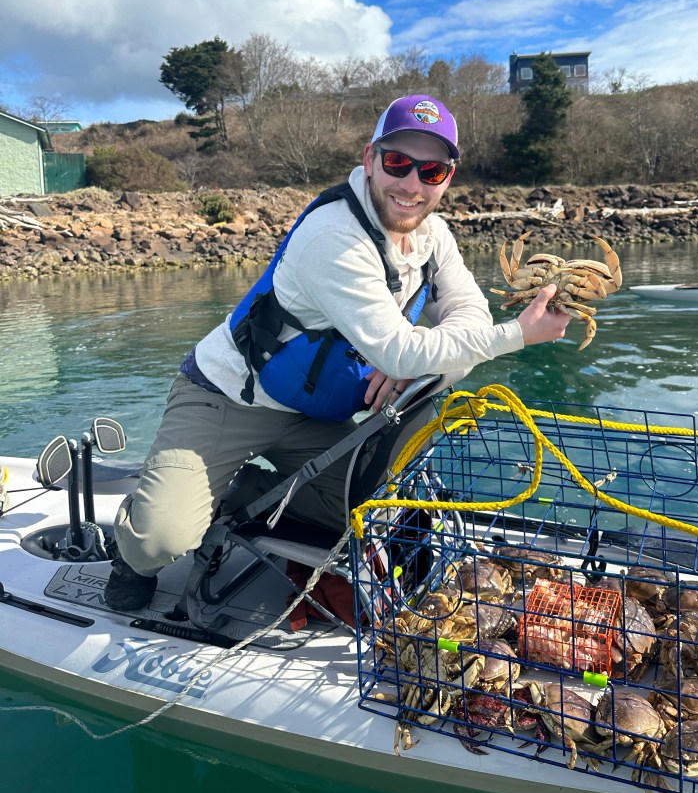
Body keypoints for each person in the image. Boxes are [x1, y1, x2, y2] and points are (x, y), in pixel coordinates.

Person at [104, 94, 570, 611]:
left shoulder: (434, 236)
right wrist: (514, 335)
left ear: (447, 178)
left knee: (375, 514)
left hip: (316, 412)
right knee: (160, 541)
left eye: (431, 171)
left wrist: (418, 366)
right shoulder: (333, 236)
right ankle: (136, 537)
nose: (412, 184)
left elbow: (470, 314)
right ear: (370, 159)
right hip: (230, 397)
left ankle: (241, 491)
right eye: (398, 162)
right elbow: (402, 349)